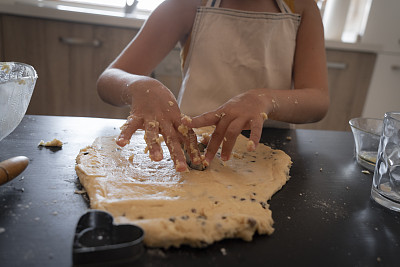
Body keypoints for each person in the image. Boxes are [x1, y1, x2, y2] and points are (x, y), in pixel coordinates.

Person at [97, 0, 329, 172]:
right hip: (192, 149)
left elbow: (318, 100)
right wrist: (138, 84)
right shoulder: (185, 5)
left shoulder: (302, 7)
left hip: (270, 148)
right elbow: (108, 79)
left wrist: (265, 100)